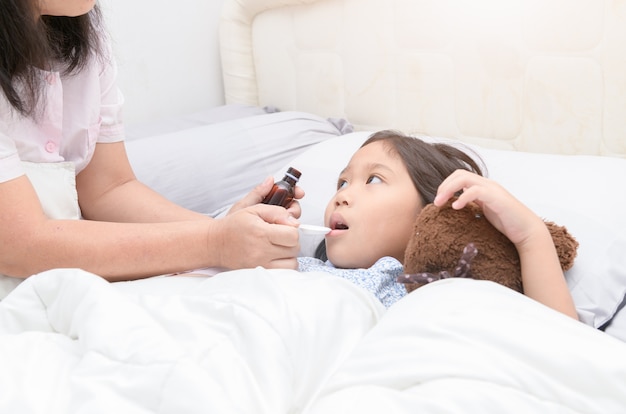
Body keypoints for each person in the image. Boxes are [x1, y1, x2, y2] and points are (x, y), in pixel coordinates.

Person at [0, 0, 302, 287]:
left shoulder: (77, 33)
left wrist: (233, 227)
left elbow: (107, 190)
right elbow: (21, 244)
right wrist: (215, 242)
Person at [298, 130, 578, 319]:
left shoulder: (444, 295)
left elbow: (563, 348)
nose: (341, 196)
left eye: (374, 179)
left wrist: (530, 237)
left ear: (430, 210)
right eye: (342, 183)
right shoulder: (296, 269)